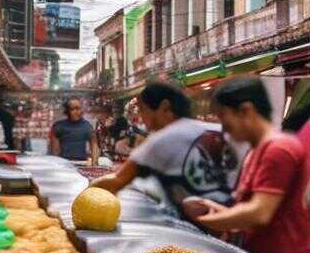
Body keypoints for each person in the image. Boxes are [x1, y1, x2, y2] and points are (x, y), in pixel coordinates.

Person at [194, 77, 310, 253]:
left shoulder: (279, 148)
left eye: (224, 118)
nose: (224, 129)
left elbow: (260, 212)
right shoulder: (257, 149)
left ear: (245, 111)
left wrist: (209, 221)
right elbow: (254, 209)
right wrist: (220, 212)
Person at [91, 80, 244, 208]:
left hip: (197, 229)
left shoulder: (163, 138)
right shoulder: (222, 131)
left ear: (164, 107)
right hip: (232, 227)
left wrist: (86, 195)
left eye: (143, 110)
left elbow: (117, 180)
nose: (141, 118)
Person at [49, 97, 97, 162]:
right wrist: (57, 165)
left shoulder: (87, 126)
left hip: (82, 163)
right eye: (72, 109)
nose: (76, 112)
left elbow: (94, 146)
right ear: (67, 111)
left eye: (78, 108)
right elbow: (54, 151)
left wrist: (94, 163)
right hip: (64, 164)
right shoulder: (59, 126)